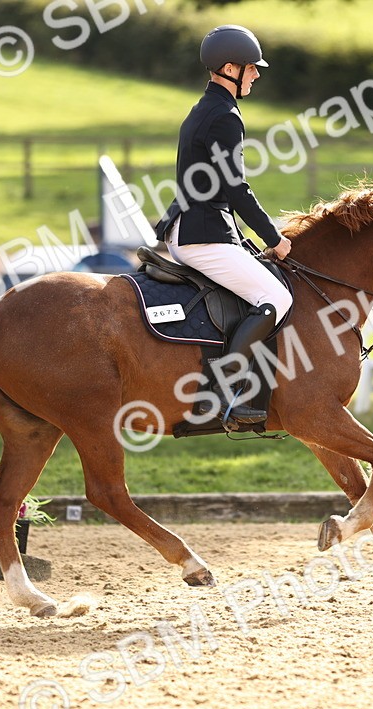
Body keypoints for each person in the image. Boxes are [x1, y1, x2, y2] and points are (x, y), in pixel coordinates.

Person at [154, 24, 293, 430]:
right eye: (251, 68)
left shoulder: (204, 108)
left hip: (193, 227)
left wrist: (246, 241)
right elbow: (235, 188)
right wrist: (274, 238)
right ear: (230, 68)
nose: (257, 75)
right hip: (203, 235)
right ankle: (220, 393)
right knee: (275, 297)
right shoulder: (226, 117)